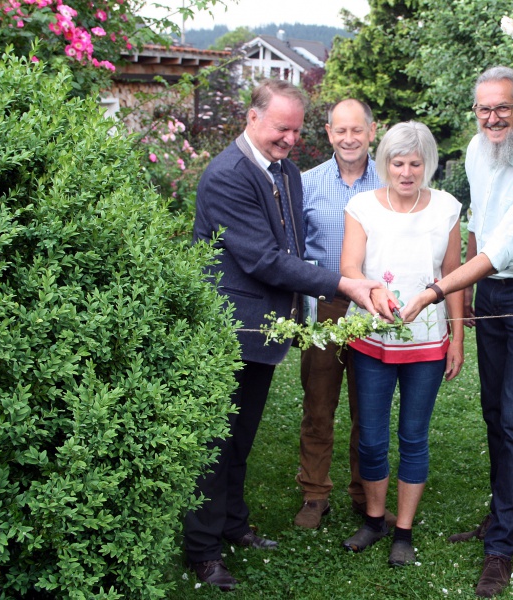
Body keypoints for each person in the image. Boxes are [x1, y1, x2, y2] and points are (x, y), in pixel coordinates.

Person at [186, 79, 388, 591]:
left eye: (296, 130)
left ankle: (233, 525)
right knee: (215, 443)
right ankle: (203, 549)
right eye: (282, 128)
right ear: (252, 118)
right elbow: (263, 259)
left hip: (264, 330)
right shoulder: (227, 175)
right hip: (229, 329)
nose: (289, 139)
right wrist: (340, 283)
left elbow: (293, 245)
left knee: (240, 439)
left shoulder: (286, 172)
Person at [400, 66, 513, 597]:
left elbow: (505, 251)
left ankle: (501, 545)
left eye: (502, 108)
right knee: (494, 410)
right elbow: (479, 225)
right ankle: (502, 515)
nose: (492, 118)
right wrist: (468, 295)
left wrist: (436, 291)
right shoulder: (479, 148)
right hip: (491, 288)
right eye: (483, 109)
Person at [339, 121, 465, 567]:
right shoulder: (361, 207)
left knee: (414, 436)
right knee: (371, 439)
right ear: (385, 163)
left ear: (427, 164)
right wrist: (374, 292)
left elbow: (453, 277)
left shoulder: (447, 208)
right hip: (370, 338)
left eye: (416, 163)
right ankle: (374, 520)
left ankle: (404, 531)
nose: (407, 172)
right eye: (398, 162)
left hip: (427, 344)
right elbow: (350, 268)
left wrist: (458, 338)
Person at [294, 99, 395, 529]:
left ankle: (362, 491)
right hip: (327, 306)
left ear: (373, 131)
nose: (349, 139)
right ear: (329, 132)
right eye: (341, 131)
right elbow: (294, 252)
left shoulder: (391, 183)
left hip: (375, 305)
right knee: (319, 405)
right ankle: (315, 493)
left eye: (358, 130)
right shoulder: (307, 184)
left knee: (367, 406)